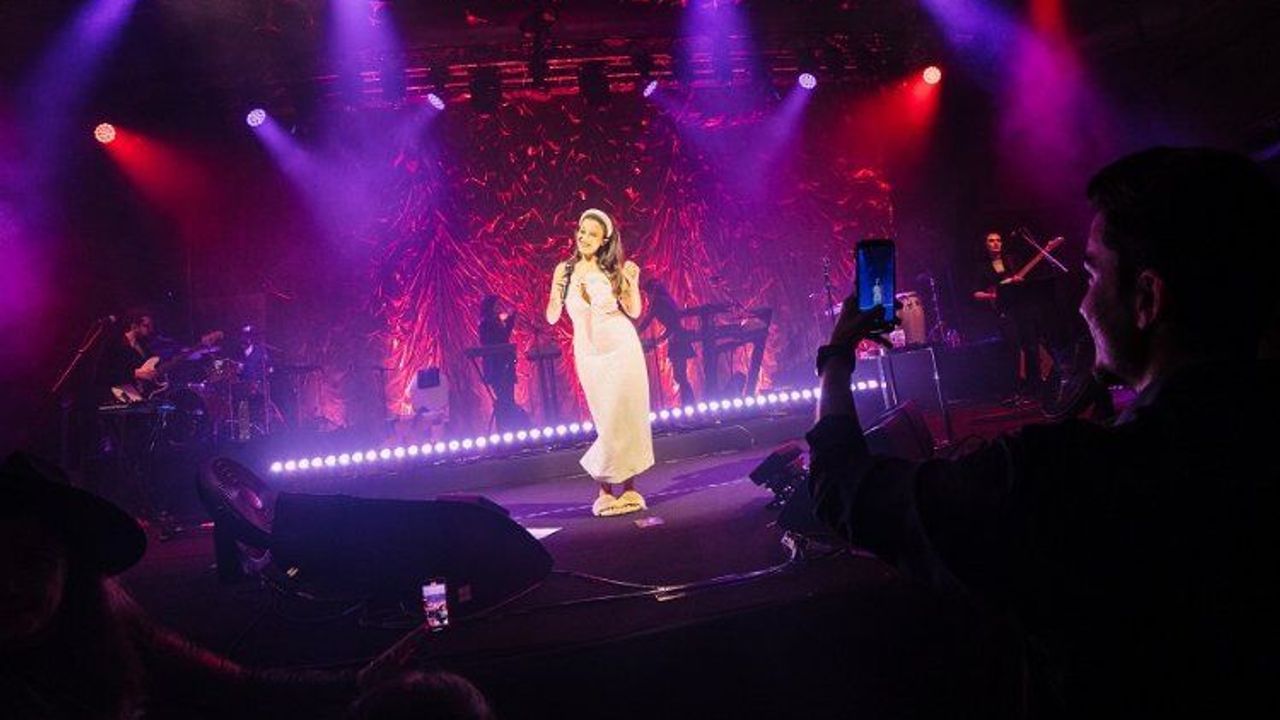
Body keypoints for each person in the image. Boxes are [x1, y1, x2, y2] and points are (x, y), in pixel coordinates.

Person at [807, 147, 1280, 716]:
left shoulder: (1068, 478)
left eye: (1092, 274)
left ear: (1147, 299)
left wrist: (837, 356)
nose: (1082, 303)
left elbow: (845, 490)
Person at [0, 451, 367, 718]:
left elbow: (239, 686)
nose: (10, 584)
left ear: (73, 569)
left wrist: (360, 682)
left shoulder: (114, 629)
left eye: (33, 560)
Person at [545, 208, 654, 517]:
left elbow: (633, 311)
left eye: (592, 234)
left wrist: (632, 282)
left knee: (625, 416)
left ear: (604, 239)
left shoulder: (612, 269)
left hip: (622, 347)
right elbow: (552, 317)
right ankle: (605, 491)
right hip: (590, 353)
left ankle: (629, 488)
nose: (584, 238)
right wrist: (556, 294)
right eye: (582, 231)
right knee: (605, 419)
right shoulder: (564, 270)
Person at [637, 278, 697, 408]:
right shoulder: (664, 300)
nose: (647, 296)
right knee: (680, 376)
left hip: (678, 338)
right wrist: (662, 337)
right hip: (677, 337)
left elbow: (651, 321)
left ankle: (690, 404)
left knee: (680, 375)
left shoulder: (659, 302)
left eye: (648, 293)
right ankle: (689, 403)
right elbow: (671, 323)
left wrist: (636, 333)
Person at [477, 295, 528, 431]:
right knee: (505, 398)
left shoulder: (490, 322)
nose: (499, 308)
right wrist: (510, 319)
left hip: (501, 366)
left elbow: (502, 338)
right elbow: (500, 339)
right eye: (496, 306)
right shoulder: (487, 323)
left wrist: (509, 319)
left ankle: (509, 427)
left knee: (506, 399)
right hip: (498, 367)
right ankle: (507, 427)